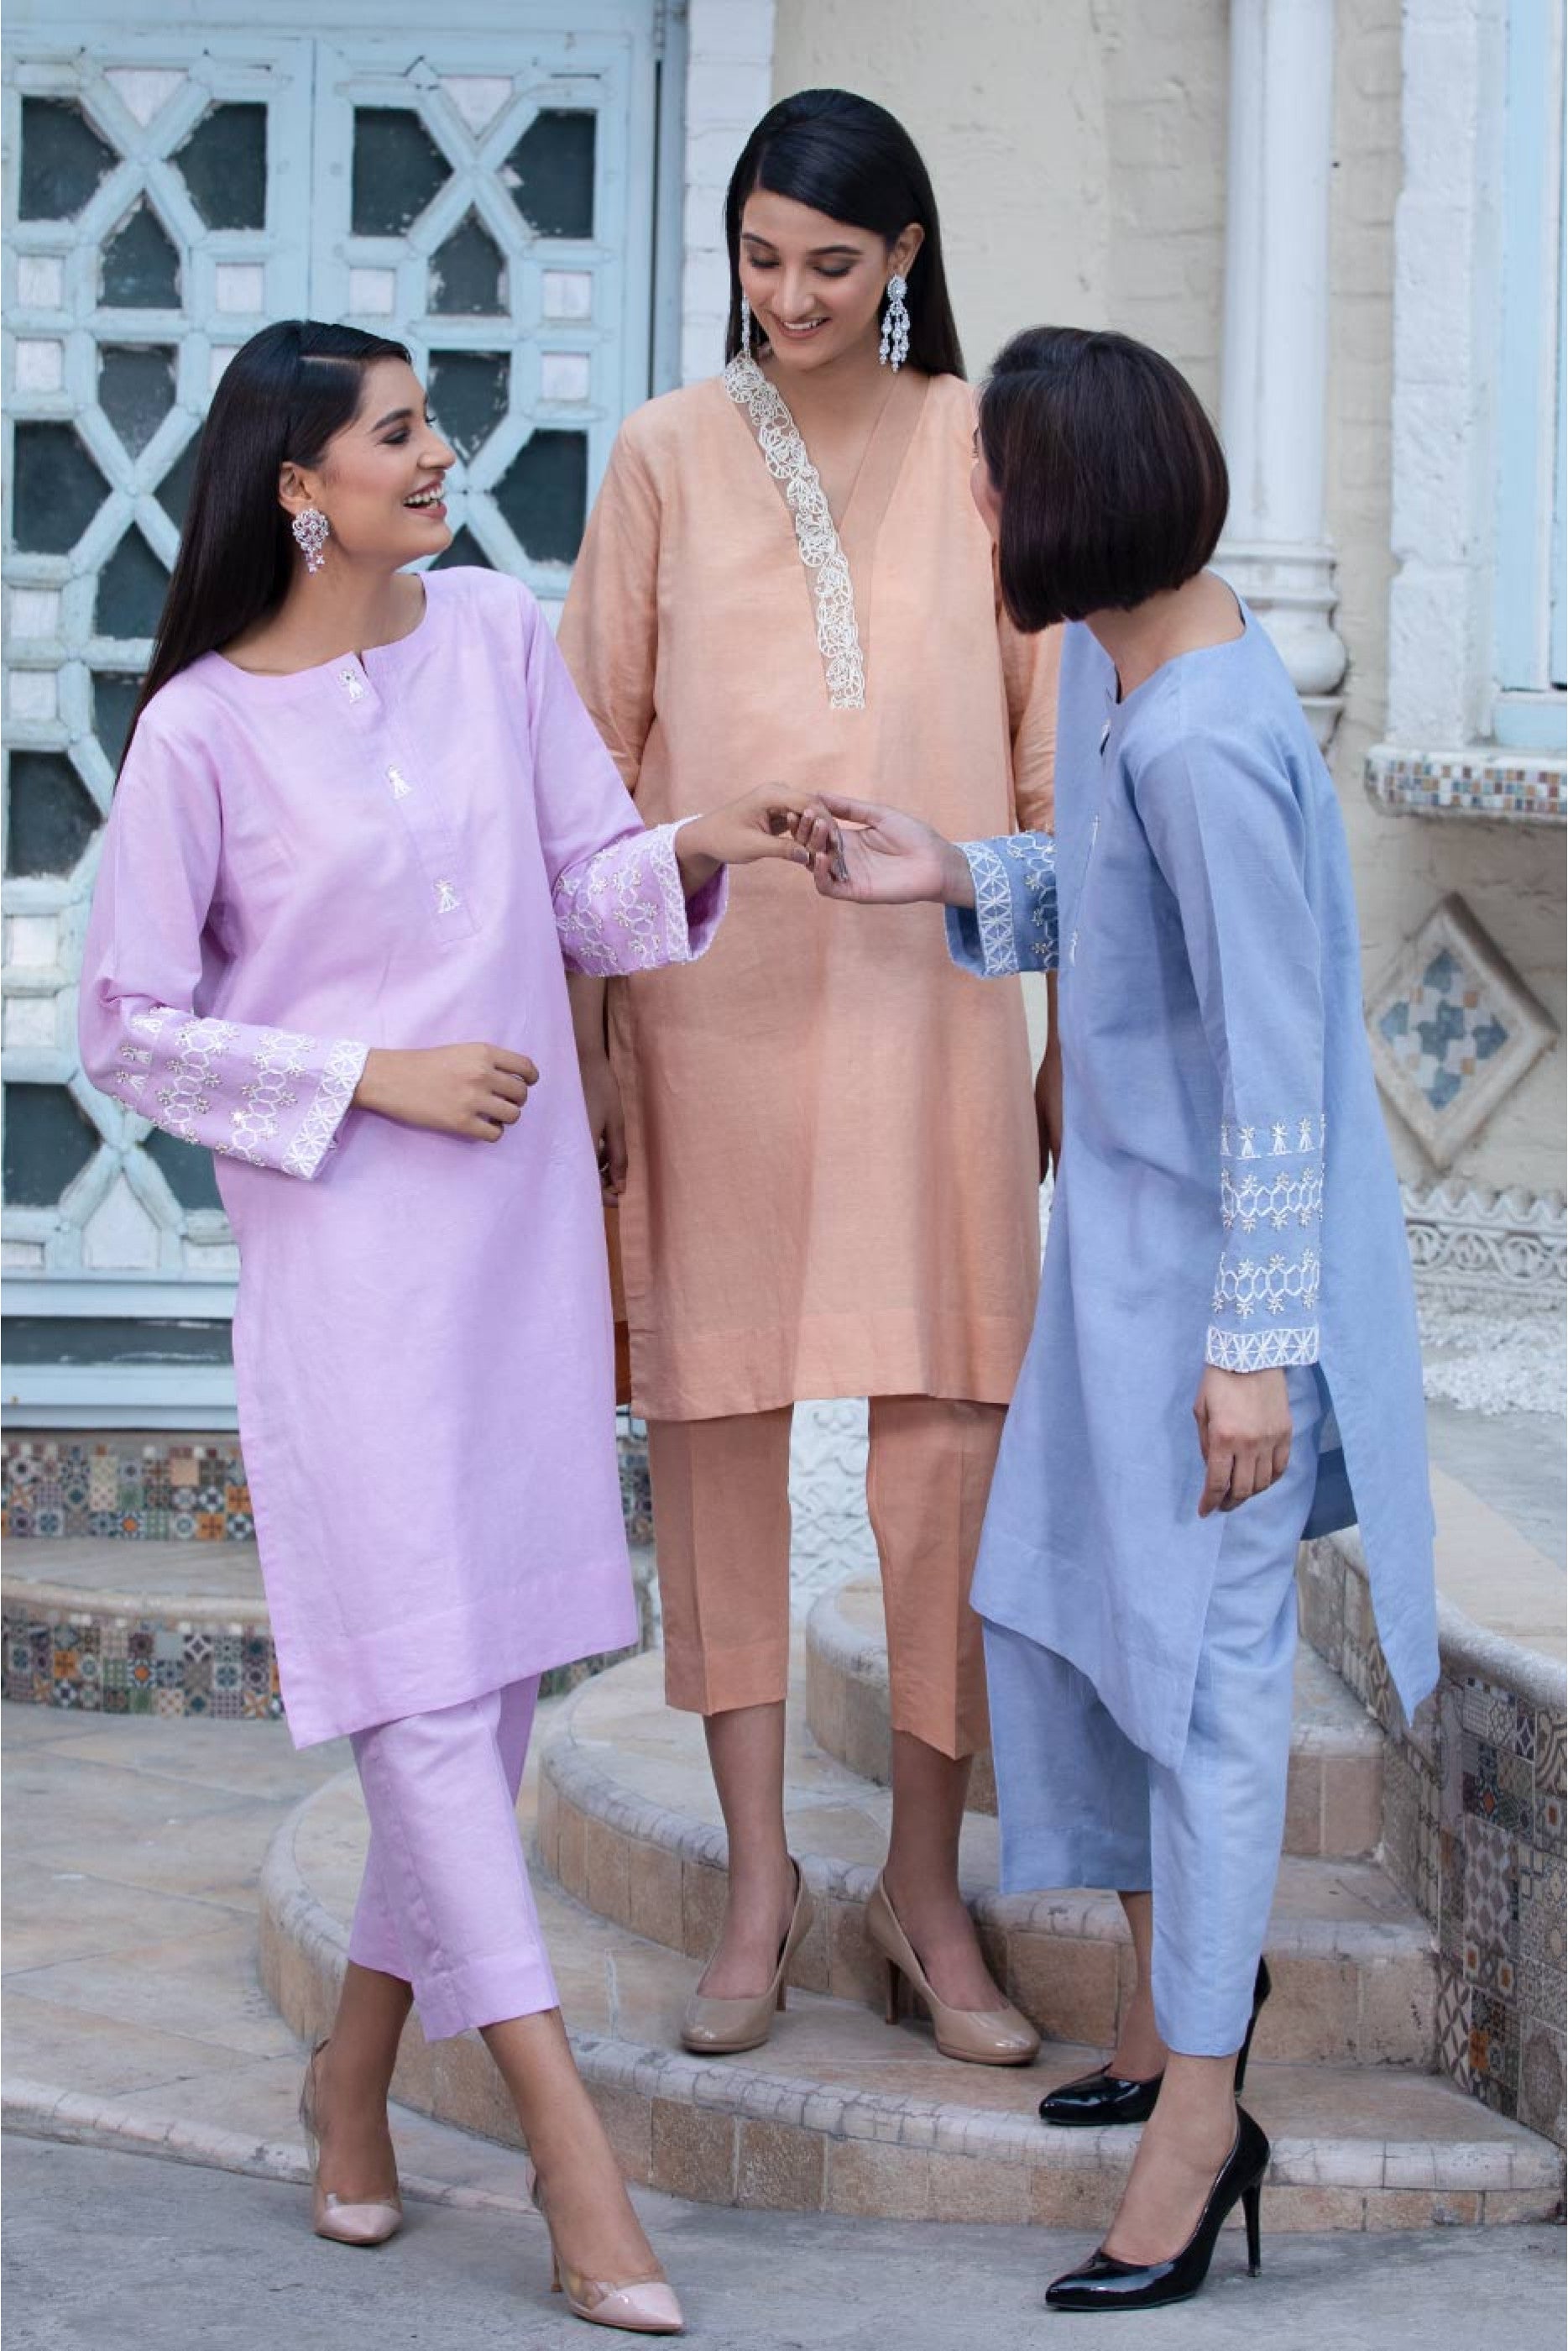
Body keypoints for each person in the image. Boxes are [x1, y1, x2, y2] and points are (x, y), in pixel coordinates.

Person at [76, 318, 824, 2338]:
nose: (438, 454)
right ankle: (571, 2152)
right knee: (419, 1697)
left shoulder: (494, 634)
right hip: (351, 1266)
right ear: (298, 489)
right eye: (398, 432)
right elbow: (128, 1027)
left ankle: (350, 2073)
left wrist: (700, 840)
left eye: (430, 422)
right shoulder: (200, 736)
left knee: (482, 1699)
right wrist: (368, 1076)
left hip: (515, 1250)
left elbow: (584, 885)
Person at [793, 325, 1438, 2312]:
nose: (980, 509)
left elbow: (1275, 1070)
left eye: (997, 482)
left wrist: (1252, 1352)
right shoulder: (1118, 659)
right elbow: (1115, 894)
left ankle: (1203, 2121)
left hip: (1215, 1295)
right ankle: (1168, 2019)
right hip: (1124, 1262)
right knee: (1085, 1617)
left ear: (1071, 503)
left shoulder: (1205, 736)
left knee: (1217, 1687)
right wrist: (950, 872)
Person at [558, 90, 1055, 2068]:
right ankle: (759, 1887)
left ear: (905, 253)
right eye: (760, 259)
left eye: (831, 264)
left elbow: (1051, 775)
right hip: (715, 1015)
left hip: (935, 1016)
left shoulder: (988, 450)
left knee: (951, 1445)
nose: (789, 296)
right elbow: (585, 774)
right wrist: (594, 1040)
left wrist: (1066, 1050)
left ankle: (923, 1891)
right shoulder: (665, 454)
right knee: (717, 1439)